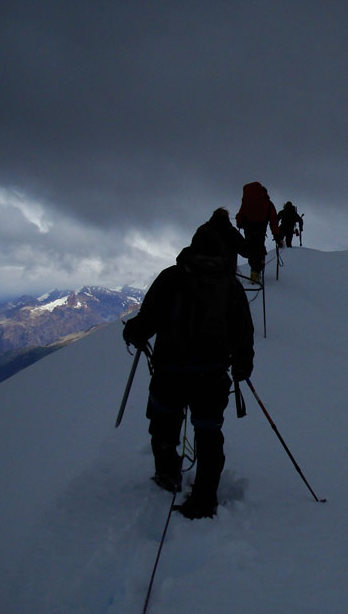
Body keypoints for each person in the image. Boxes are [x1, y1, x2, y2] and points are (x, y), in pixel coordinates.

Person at [122, 209, 255, 519]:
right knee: (209, 433)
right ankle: (205, 496)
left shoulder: (171, 277)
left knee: (164, 424)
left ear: (192, 247)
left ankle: (168, 475)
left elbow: (147, 322)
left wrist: (133, 332)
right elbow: (243, 334)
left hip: (170, 372)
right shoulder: (231, 286)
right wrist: (242, 367)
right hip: (211, 376)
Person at [235, 182, 282, 283]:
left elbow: (240, 215)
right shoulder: (268, 203)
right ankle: (256, 272)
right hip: (260, 231)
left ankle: (254, 272)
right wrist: (277, 236)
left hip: (248, 230)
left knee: (251, 250)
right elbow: (273, 221)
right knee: (259, 250)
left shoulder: (247, 201)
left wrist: (239, 223)